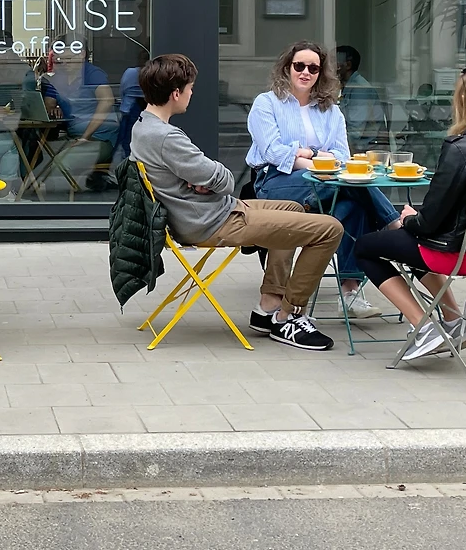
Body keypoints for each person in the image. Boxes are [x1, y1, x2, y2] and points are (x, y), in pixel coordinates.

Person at [130, 53, 343, 351]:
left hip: (209, 212)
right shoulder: (166, 137)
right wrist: (208, 178)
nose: (192, 94)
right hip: (212, 222)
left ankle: (269, 305)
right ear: (176, 93)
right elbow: (225, 180)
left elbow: (209, 177)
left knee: (293, 208)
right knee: (330, 229)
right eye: (190, 89)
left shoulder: (142, 126)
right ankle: (290, 316)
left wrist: (202, 179)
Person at [354, 67, 466, 361]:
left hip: (459, 254)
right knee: (408, 241)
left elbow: (429, 223)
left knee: (366, 247)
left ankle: (424, 328)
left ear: (463, 99)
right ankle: (454, 322)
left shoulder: (459, 148)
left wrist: (409, 219)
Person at [246, 41, 403, 318]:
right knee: (350, 183)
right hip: (276, 182)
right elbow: (273, 152)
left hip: (325, 182)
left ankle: (350, 293)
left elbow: (342, 155)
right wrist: (316, 163)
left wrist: (311, 156)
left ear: (321, 73)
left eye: (313, 68)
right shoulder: (266, 103)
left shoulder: (330, 110)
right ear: (287, 68)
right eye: (299, 66)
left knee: (353, 205)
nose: (305, 72)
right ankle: (394, 225)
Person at [42, 45, 119, 192]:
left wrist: (85, 137)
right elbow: (48, 104)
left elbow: (107, 101)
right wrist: (53, 108)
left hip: (100, 139)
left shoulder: (92, 74)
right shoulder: (58, 77)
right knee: (42, 154)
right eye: (60, 60)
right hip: (73, 136)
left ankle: (56, 200)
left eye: (68, 59)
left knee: (61, 163)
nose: (64, 63)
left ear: (81, 54)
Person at [335, 45, 383, 148]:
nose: (330, 68)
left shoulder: (359, 89)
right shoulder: (345, 86)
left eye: (335, 63)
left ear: (348, 65)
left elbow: (355, 132)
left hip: (364, 149)